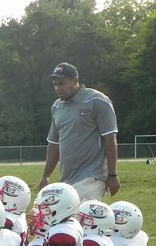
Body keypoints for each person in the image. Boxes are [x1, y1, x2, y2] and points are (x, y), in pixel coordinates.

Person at [38, 62, 120, 201]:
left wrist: (112, 175)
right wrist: (46, 176)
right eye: (55, 84)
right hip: (66, 180)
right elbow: (54, 144)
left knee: (82, 219)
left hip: (92, 178)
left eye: (62, 83)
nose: (58, 88)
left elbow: (110, 139)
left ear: (75, 80)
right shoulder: (57, 106)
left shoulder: (97, 100)